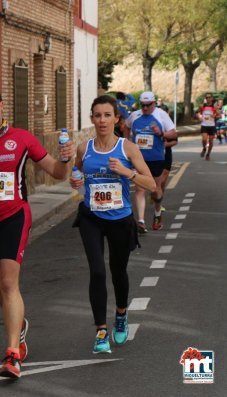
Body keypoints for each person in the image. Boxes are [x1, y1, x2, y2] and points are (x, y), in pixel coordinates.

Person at [0, 86, 74, 379]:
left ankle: (12, 354)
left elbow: (57, 173)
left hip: (15, 217)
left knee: (8, 282)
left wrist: (66, 158)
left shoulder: (22, 138)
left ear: (2, 105)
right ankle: (18, 327)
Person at [70, 95, 155, 353]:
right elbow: (76, 172)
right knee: (97, 271)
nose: (102, 120)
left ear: (116, 118)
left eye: (108, 115)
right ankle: (101, 332)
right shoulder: (84, 149)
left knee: (118, 271)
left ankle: (120, 313)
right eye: (98, 115)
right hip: (91, 217)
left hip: (119, 219)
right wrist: (75, 181)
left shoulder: (127, 148)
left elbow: (151, 184)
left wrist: (127, 172)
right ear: (92, 119)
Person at [122, 91, 177, 233]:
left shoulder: (161, 115)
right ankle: (141, 221)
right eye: (143, 105)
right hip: (139, 159)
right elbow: (126, 127)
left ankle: (157, 213)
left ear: (153, 103)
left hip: (157, 158)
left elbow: (174, 133)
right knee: (140, 188)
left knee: (155, 190)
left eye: (148, 105)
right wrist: (127, 142)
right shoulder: (135, 115)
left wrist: (161, 133)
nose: (145, 108)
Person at [196, 93, 217, 159]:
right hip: (204, 125)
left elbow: (219, 115)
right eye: (207, 97)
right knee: (204, 139)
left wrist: (215, 115)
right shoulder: (202, 106)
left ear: (212, 98)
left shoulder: (214, 106)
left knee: (211, 141)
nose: (208, 98)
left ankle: (208, 154)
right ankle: (204, 148)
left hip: (212, 125)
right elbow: (197, 112)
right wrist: (199, 117)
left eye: (209, 97)